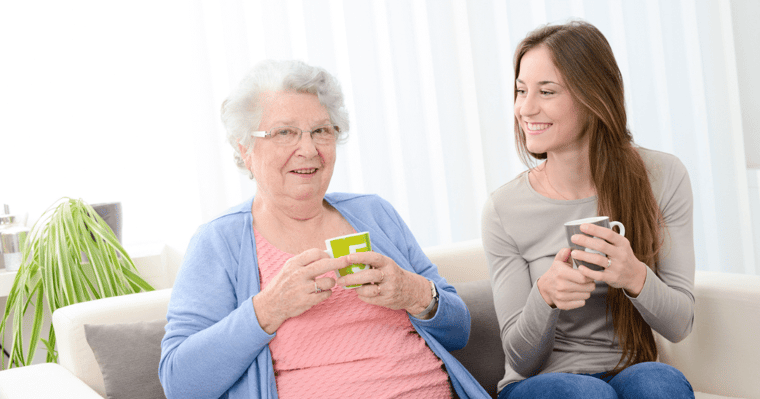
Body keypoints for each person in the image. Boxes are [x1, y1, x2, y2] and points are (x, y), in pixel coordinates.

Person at [159, 59, 489, 399]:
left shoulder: (374, 213)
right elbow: (180, 385)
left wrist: (414, 292)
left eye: (321, 131)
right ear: (246, 148)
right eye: (285, 132)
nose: (308, 149)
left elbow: (458, 332)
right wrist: (268, 309)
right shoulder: (218, 242)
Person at [481, 21, 696, 399]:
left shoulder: (662, 177)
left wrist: (634, 275)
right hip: (538, 383)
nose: (525, 108)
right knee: (587, 395)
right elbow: (520, 357)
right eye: (520, 91)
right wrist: (544, 296)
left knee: (661, 385)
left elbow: (680, 324)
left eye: (546, 91)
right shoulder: (505, 208)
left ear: (593, 97)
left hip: (630, 368)